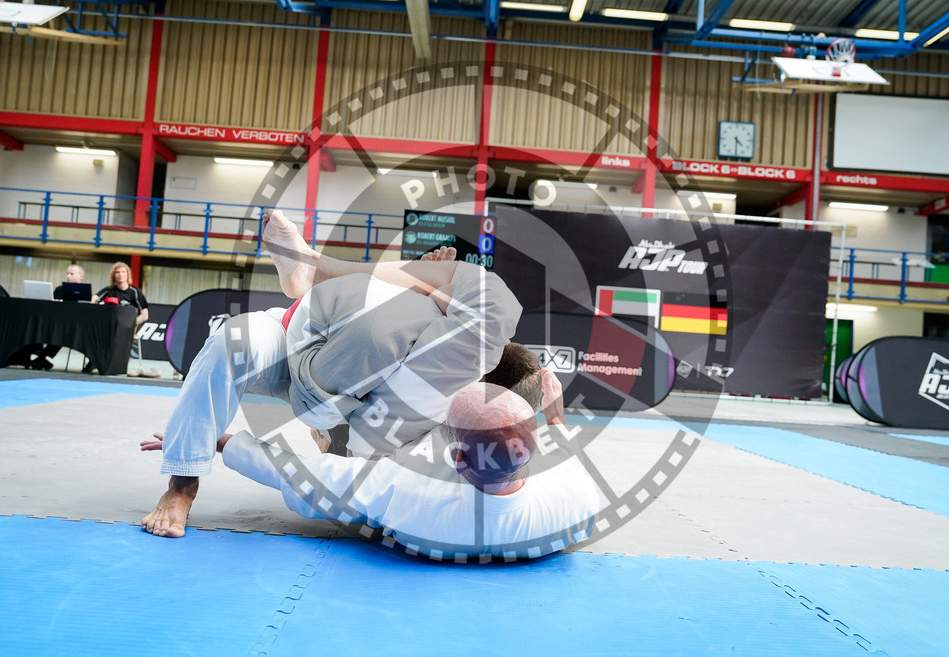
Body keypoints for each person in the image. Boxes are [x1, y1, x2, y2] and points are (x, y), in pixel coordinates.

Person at [142, 211, 523, 537]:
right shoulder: (462, 347)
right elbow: (488, 306)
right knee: (232, 340)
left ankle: (328, 273)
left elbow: (340, 483)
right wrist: (431, 286)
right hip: (295, 333)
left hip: (331, 401)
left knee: (346, 443)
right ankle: (181, 484)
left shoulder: (440, 439)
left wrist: (226, 442)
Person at [144, 378, 600, 560]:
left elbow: (292, 471)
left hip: (389, 508)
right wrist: (556, 419)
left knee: (338, 463)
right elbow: (562, 449)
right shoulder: (574, 498)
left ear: (457, 460)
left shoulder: (406, 492)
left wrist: (207, 440)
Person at [85, 261, 149, 373]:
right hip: (108, 328)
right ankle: (95, 361)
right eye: (117, 272)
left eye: (123, 272)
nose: (120, 274)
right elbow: (95, 298)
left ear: (128, 275)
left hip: (127, 329)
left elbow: (144, 315)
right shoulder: (109, 290)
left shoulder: (135, 292)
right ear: (113, 275)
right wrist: (94, 301)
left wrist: (131, 323)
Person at [24, 262, 85, 370]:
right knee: (35, 326)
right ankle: (40, 356)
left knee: (61, 333)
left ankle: (41, 357)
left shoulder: (84, 292)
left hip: (71, 326)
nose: (68, 276)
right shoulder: (59, 290)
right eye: (67, 273)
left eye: (72, 274)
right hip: (55, 322)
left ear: (80, 276)